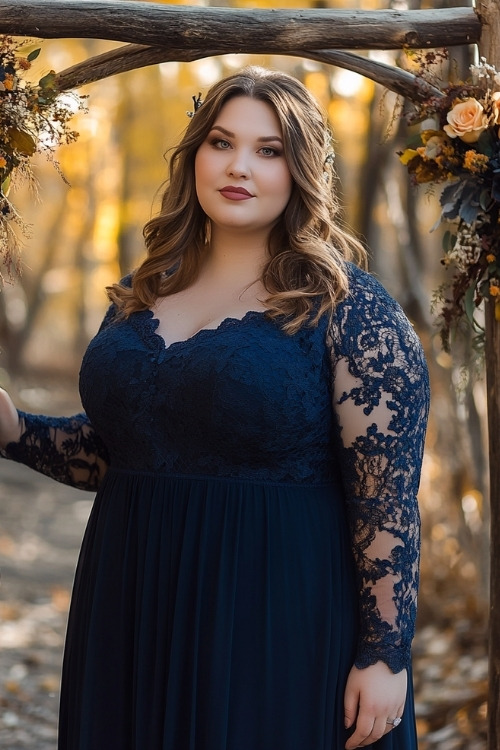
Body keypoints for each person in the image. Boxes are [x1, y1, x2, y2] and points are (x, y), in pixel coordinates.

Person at [0, 66, 429, 750]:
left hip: (274, 618)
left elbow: (388, 501)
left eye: (269, 150)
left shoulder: (352, 310)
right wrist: (15, 429)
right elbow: (124, 453)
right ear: (194, 153)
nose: (239, 167)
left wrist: (385, 654)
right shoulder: (143, 292)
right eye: (221, 142)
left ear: (302, 170)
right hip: (133, 601)